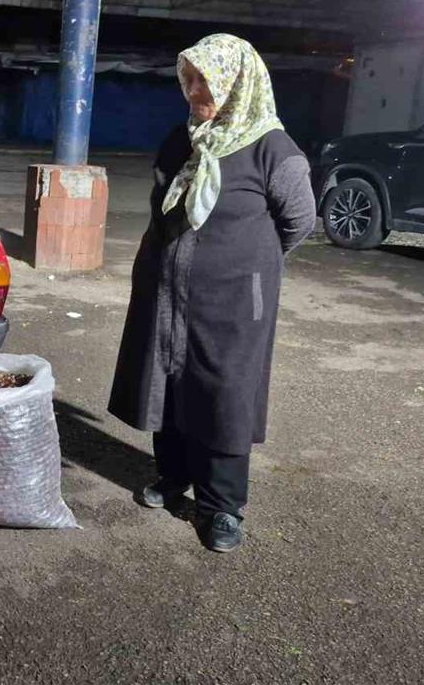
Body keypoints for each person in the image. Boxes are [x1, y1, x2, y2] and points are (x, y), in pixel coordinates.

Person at [108, 34, 316, 553]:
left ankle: (222, 506)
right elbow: (163, 205)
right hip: (168, 289)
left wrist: (246, 265)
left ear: (235, 82)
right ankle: (173, 475)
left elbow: (299, 221)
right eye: (190, 78)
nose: (194, 89)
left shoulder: (273, 148)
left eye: (205, 79)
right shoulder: (183, 141)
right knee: (170, 379)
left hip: (234, 299)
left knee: (224, 392)